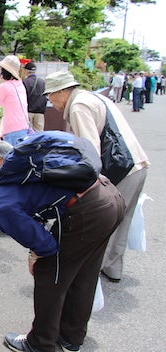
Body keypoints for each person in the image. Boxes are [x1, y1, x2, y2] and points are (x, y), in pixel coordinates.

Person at [0, 143, 125, 352]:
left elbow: (46, 245)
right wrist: (35, 251)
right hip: (108, 196)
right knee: (83, 275)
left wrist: (36, 256)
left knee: (48, 272)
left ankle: (40, 344)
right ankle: (71, 337)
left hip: (88, 210)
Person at [44, 71, 150, 284]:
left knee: (103, 221)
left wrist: (84, 187)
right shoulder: (92, 97)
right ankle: (112, 269)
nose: (49, 101)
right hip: (137, 165)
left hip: (122, 169)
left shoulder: (78, 106)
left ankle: (90, 278)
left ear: (63, 91)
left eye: (51, 95)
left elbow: (90, 150)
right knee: (121, 221)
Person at [22, 62, 47, 132]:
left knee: (28, 133)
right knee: (39, 133)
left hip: (28, 111)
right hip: (40, 113)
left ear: (26, 71)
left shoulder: (25, 82)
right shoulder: (42, 82)